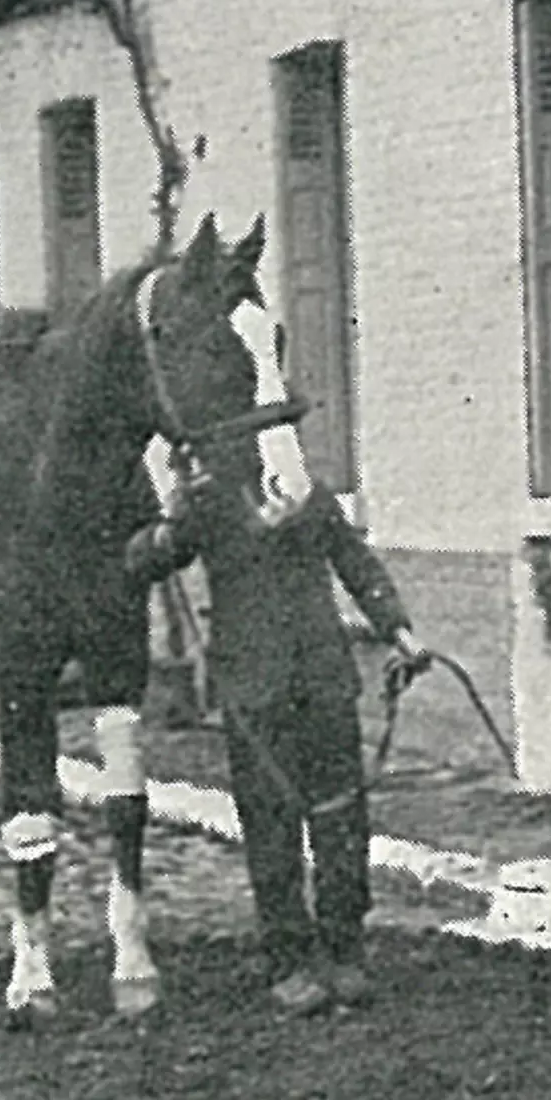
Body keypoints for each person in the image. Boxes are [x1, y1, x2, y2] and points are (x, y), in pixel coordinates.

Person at [126, 417, 429, 1016]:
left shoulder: (309, 496)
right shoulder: (207, 504)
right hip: (253, 686)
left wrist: (398, 630)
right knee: (270, 824)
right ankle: (288, 959)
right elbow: (145, 560)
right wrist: (166, 516)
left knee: (342, 814)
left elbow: (355, 563)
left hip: (322, 677)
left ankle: (344, 949)